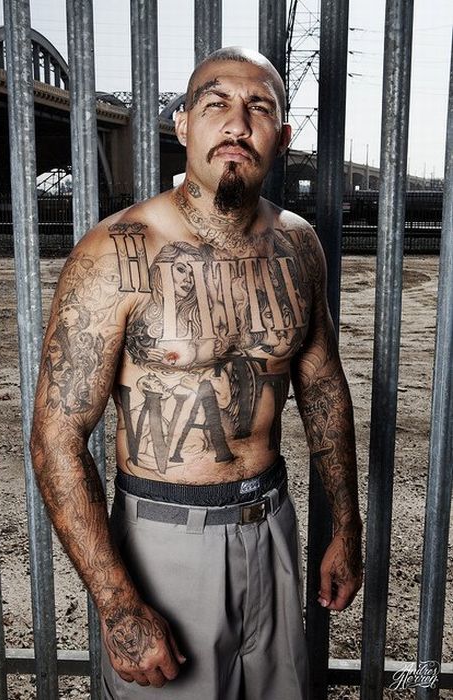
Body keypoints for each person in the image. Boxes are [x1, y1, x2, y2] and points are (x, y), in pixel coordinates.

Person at [30, 46, 363, 700]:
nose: (236, 124)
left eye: (258, 109)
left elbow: (322, 388)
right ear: (183, 124)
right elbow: (55, 437)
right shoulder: (117, 252)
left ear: (282, 137)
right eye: (216, 105)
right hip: (162, 542)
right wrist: (120, 605)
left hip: (271, 527)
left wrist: (345, 525)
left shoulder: (298, 245)